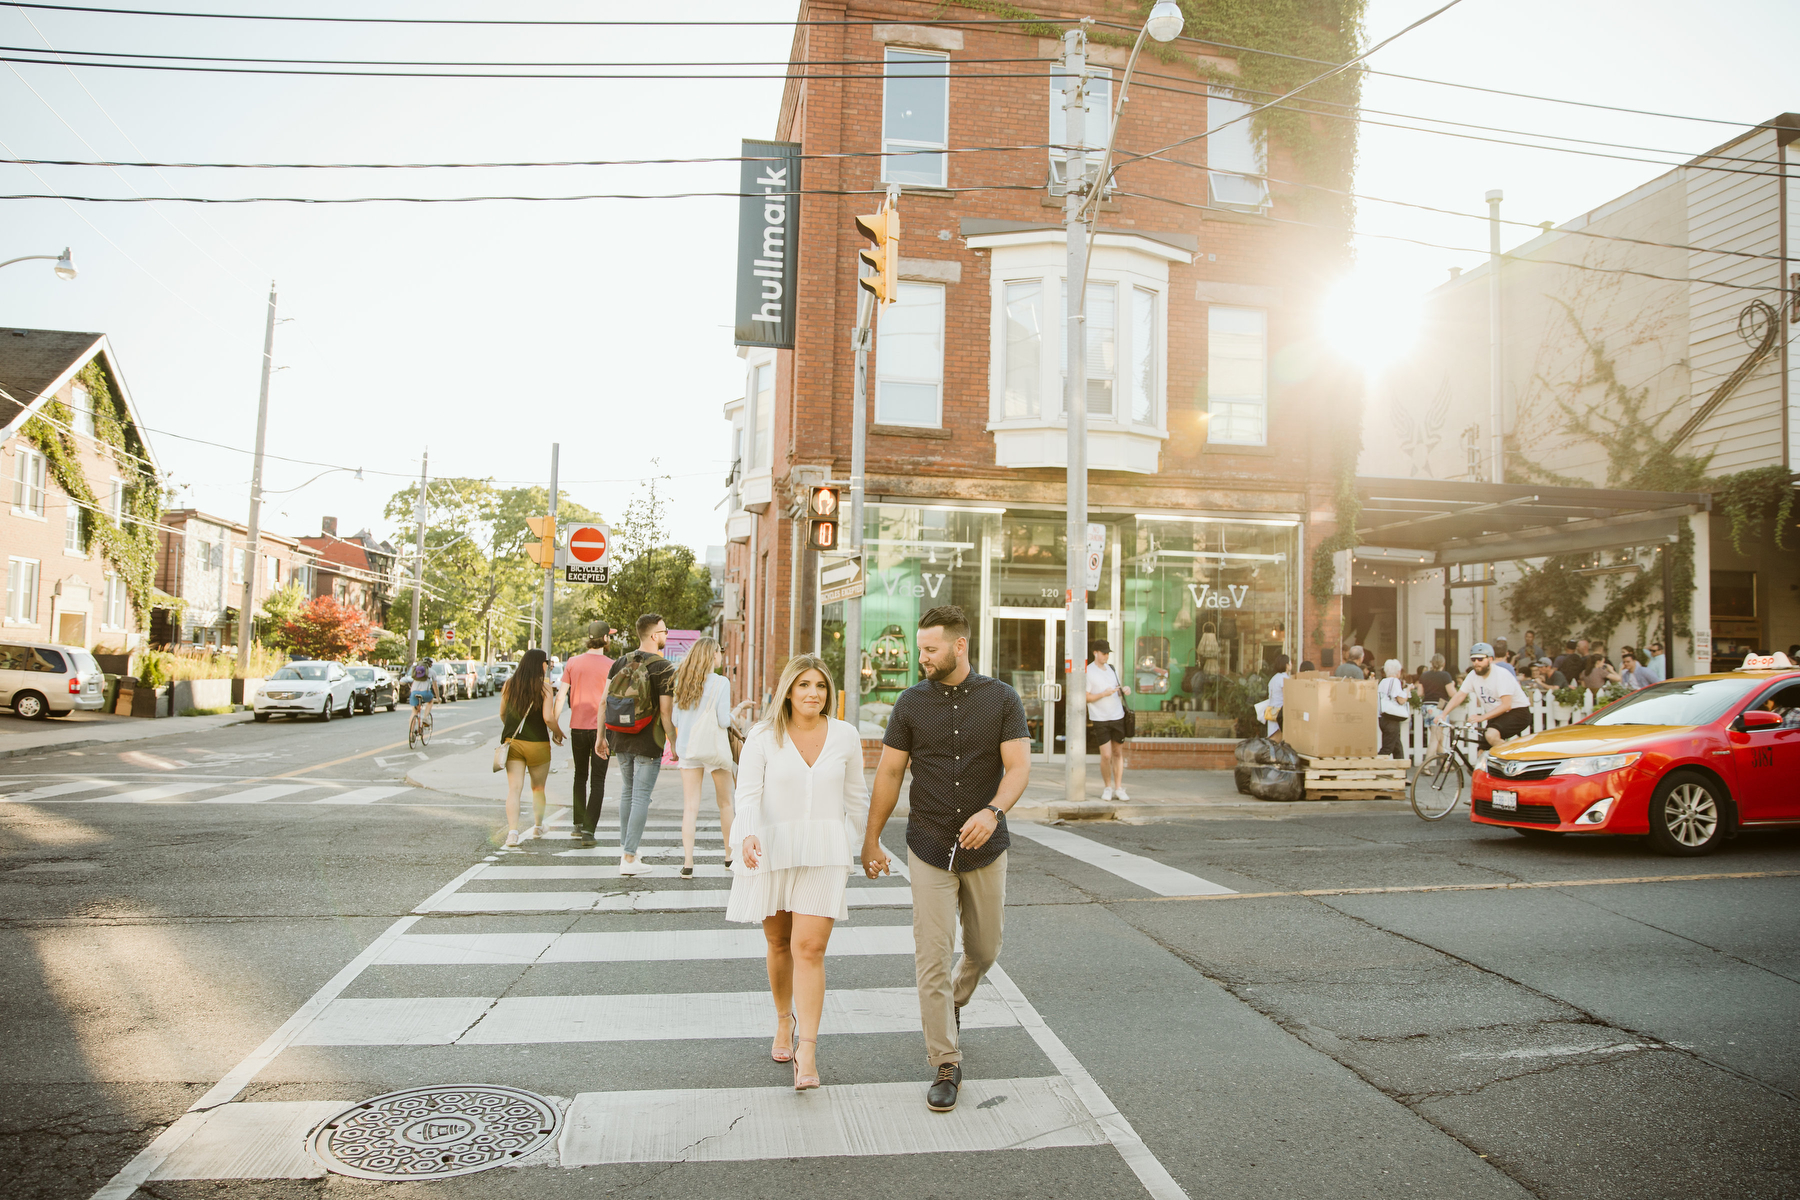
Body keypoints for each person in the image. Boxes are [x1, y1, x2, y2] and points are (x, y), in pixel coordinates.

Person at [863, 605, 1030, 1114]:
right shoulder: (910, 703)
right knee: (931, 956)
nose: (922, 658)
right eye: (920, 648)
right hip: (929, 844)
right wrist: (871, 840)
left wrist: (994, 811)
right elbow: (890, 774)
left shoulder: (1002, 698)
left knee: (984, 949)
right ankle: (945, 1061)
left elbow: (1019, 767)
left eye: (930, 649)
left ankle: (954, 1002)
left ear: (959, 646)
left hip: (984, 847)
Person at [727, 654, 869, 1092]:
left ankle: (807, 1049)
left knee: (809, 947)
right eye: (805, 685)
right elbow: (747, 794)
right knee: (778, 942)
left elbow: (857, 798)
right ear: (789, 690)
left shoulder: (845, 736)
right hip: (772, 847)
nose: (813, 693)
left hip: (824, 852)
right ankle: (782, 1020)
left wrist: (847, 842)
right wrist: (747, 835)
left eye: (821, 686)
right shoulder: (763, 736)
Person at [606, 613, 677, 878]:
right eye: (665, 631)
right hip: (649, 739)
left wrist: (602, 736)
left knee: (627, 792)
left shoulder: (619, 663)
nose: (666, 635)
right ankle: (629, 856)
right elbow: (666, 713)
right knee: (640, 797)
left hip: (620, 735)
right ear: (654, 635)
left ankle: (628, 849)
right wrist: (674, 743)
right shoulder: (664, 667)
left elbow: (605, 701)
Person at [670, 636, 737, 878]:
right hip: (713, 749)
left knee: (690, 808)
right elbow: (722, 720)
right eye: (720, 650)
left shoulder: (683, 681)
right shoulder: (721, 683)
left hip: (689, 749)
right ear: (712, 655)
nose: (722, 654)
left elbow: (676, 720)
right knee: (726, 803)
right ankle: (729, 857)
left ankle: (688, 863)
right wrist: (735, 715)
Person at [499, 648, 564, 849]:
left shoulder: (509, 684)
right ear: (540, 664)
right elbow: (548, 718)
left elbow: (502, 714)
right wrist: (558, 732)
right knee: (538, 788)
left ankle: (512, 833)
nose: (548, 666)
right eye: (547, 662)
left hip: (514, 743)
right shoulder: (544, 688)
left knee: (514, 790)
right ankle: (537, 826)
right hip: (537, 745)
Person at [557, 623, 613, 848]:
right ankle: (589, 831)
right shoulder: (612, 665)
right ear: (606, 639)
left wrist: (555, 727)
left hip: (577, 727)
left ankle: (578, 824)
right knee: (598, 780)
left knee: (580, 776)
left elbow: (561, 697)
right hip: (603, 729)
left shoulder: (572, 662)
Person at [1434, 642, 1532, 756]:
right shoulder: (1473, 675)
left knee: (1491, 735)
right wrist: (1443, 714)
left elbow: (1506, 705)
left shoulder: (1501, 675)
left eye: (1480, 659)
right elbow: (1460, 695)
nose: (1476, 662)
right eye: (1473, 659)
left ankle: (1514, 763)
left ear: (1490, 659)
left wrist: (1481, 717)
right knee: (1481, 754)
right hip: (1497, 715)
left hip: (1517, 712)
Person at [1085, 640, 1130, 802]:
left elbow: (1116, 690)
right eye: (1103, 653)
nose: (1106, 656)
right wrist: (1103, 694)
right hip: (1100, 718)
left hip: (1117, 715)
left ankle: (1118, 787)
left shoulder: (1111, 669)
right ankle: (1107, 787)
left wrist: (1123, 690)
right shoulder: (1088, 671)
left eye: (1107, 653)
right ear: (1095, 652)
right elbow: (1086, 697)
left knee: (1118, 753)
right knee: (1106, 755)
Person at [1377, 659, 1409, 760]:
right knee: (1387, 749)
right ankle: (1375, 767)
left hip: (1382, 717)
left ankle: (1402, 772)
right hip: (1391, 718)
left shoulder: (1382, 682)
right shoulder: (1395, 681)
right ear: (1398, 671)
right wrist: (1408, 691)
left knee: (1396, 746)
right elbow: (1401, 700)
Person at [407, 656, 438, 729]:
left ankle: (411, 734)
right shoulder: (432, 672)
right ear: (430, 665)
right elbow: (435, 686)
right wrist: (438, 697)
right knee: (430, 701)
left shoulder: (416, 670)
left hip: (414, 692)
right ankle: (425, 717)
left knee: (414, 712)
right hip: (425, 693)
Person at [1266, 654, 1291, 739]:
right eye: (1290, 663)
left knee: (1272, 736)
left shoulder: (1274, 678)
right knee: (1279, 737)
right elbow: (1287, 696)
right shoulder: (1284, 679)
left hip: (1271, 710)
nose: (1291, 665)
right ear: (1286, 665)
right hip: (1280, 711)